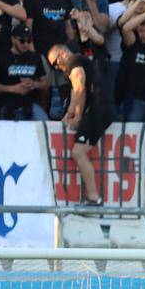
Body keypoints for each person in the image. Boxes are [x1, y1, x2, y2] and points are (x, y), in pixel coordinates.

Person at [48, 43, 112, 205]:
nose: (56, 68)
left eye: (55, 63)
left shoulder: (73, 62)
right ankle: (92, 197)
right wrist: (68, 115)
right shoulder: (78, 62)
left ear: (62, 54)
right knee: (78, 151)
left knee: (78, 152)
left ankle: (93, 197)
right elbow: (74, 93)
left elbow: (80, 89)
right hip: (99, 108)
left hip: (99, 108)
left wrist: (76, 117)